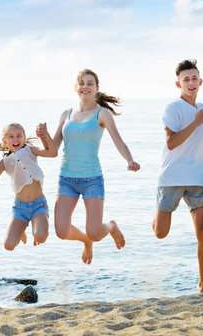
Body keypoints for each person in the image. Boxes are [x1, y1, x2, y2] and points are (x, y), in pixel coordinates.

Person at [52, 68, 140, 264]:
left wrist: (129, 160)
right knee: (61, 231)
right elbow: (53, 149)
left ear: (96, 88)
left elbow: (119, 142)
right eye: (82, 83)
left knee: (95, 233)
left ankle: (111, 226)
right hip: (66, 179)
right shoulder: (65, 114)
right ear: (76, 87)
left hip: (92, 179)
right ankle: (85, 241)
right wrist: (37, 142)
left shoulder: (102, 114)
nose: (85, 86)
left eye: (90, 83)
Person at [153, 59, 203, 293]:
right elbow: (171, 142)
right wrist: (196, 123)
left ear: (200, 81)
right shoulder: (173, 108)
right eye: (186, 79)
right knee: (160, 233)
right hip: (171, 178)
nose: (191, 82)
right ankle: (154, 217)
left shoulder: (202, 109)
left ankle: (202, 285)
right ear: (178, 84)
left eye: (194, 78)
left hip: (198, 179)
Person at [0, 122, 57, 250]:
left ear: (24, 137)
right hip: (20, 208)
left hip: (38, 205)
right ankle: (22, 228)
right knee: (8, 246)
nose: (15, 139)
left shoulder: (30, 150)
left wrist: (45, 135)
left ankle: (32, 226)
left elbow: (52, 153)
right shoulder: (5, 162)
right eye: (11, 136)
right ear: (4, 140)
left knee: (40, 237)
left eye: (19, 136)